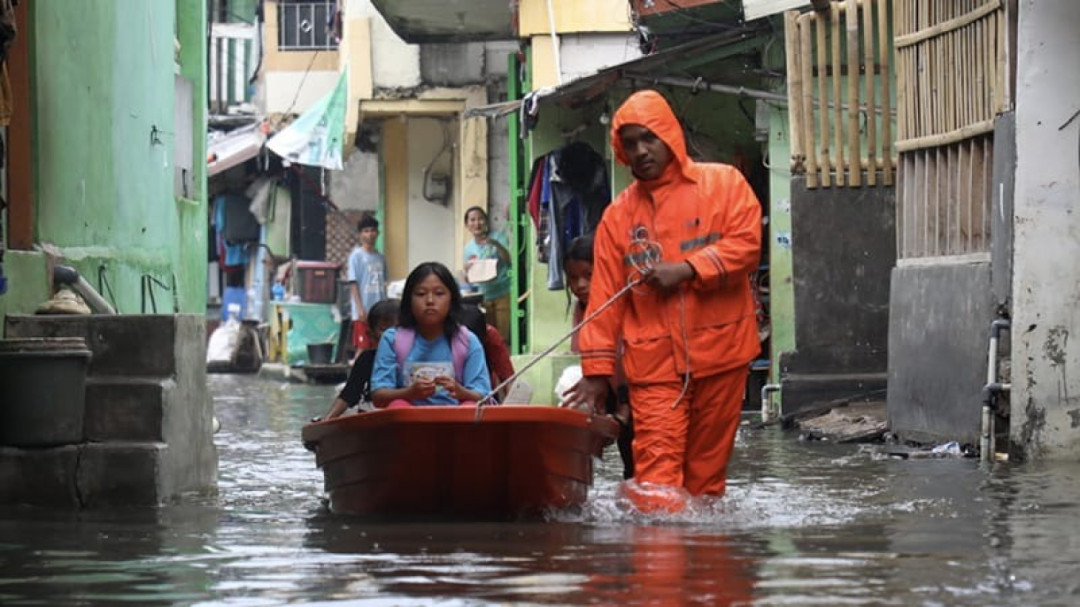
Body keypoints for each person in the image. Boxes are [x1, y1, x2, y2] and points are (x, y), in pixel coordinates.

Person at [562, 90, 763, 513]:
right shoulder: (618, 217)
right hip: (655, 367)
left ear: (669, 135)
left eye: (648, 138)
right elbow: (604, 301)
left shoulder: (724, 184)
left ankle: (702, 555)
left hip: (723, 355)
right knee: (656, 483)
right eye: (630, 143)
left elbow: (747, 245)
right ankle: (660, 553)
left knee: (706, 483)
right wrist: (596, 373)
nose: (640, 150)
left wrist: (688, 269)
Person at [370, 262, 491, 408]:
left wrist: (461, 392)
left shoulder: (467, 341)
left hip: (456, 419)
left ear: (452, 299)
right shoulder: (392, 340)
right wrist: (409, 393)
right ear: (409, 300)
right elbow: (378, 396)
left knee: (470, 407)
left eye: (439, 293)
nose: (430, 301)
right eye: (421, 294)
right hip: (408, 420)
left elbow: (483, 395)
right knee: (398, 405)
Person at [564, 234, 634, 480]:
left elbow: (626, 360)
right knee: (630, 465)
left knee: (641, 461)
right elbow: (585, 359)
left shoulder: (621, 305)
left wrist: (623, 410)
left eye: (589, 275)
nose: (580, 285)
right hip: (612, 392)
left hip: (635, 393)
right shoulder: (582, 309)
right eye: (573, 278)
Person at [320, 299, 400, 420]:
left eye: (397, 329)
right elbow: (349, 395)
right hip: (372, 413)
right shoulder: (366, 359)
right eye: (384, 329)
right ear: (371, 333)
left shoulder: (412, 359)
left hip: (403, 411)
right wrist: (327, 419)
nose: (391, 335)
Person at [463, 206, 512, 341]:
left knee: (503, 337)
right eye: (472, 220)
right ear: (467, 225)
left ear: (486, 221)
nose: (477, 223)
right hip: (484, 297)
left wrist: (496, 245)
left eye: (480, 219)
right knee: (488, 337)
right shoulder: (468, 248)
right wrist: (467, 273)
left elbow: (509, 261)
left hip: (503, 293)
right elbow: (469, 280)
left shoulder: (498, 237)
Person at [346, 214, 388, 352]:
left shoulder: (381, 258)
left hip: (379, 311)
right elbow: (353, 284)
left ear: (378, 233)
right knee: (363, 348)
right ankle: (357, 367)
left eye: (373, 230)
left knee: (379, 347)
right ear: (360, 235)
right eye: (366, 231)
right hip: (364, 310)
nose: (370, 234)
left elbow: (384, 284)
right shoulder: (356, 256)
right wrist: (360, 308)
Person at [460, 304, 515, 403]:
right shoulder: (444, 335)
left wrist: (512, 407)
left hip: (485, 396)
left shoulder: (491, 336)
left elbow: (508, 379)